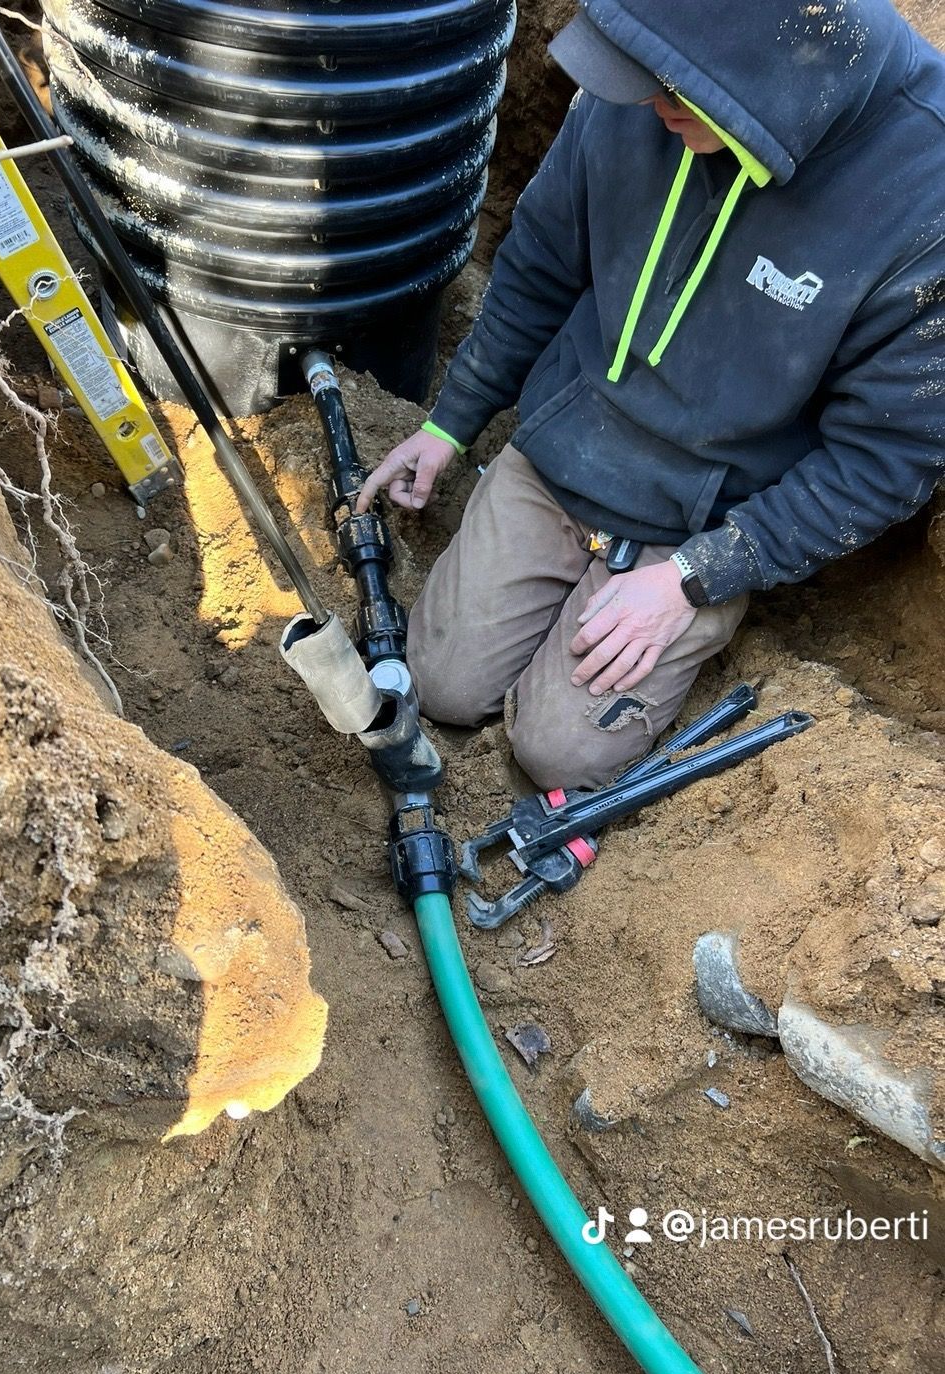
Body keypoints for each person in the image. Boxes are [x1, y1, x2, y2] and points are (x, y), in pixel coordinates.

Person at [356, 0, 945, 789]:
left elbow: (886, 457)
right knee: (441, 684)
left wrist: (697, 577)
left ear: (763, 89)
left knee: (558, 752)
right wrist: (450, 425)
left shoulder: (921, 202)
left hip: (700, 525)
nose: (648, 104)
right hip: (568, 448)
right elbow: (536, 266)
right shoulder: (643, 79)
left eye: (675, 92)